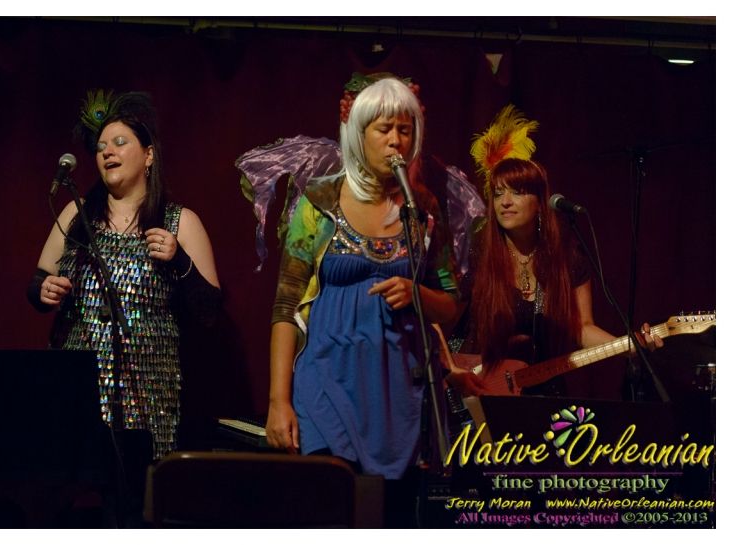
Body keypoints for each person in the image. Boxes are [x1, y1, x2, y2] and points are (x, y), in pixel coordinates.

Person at [265, 75, 460, 495]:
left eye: (405, 130)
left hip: (397, 393)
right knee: (332, 503)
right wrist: (278, 401)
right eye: (384, 129)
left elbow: (451, 305)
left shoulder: (422, 209)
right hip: (326, 379)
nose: (396, 141)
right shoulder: (318, 202)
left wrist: (418, 295)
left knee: (393, 510)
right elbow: (286, 306)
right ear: (359, 134)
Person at [27, 90, 221, 459]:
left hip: (147, 391)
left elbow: (209, 311)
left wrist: (179, 261)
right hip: (78, 384)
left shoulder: (180, 221)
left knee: (134, 483)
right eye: (101, 147)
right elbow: (38, 281)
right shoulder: (76, 213)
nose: (107, 152)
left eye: (120, 143)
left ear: (148, 155)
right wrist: (43, 290)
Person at [447, 151, 662, 397]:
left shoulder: (566, 259)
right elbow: (444, 315)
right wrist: (451, 369)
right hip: (477, 385)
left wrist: (628, 346)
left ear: (540, 202)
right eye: (498, 193)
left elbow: (582, 328)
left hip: (539, 386)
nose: (505, 202)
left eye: (517, 192)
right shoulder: (480, 254)